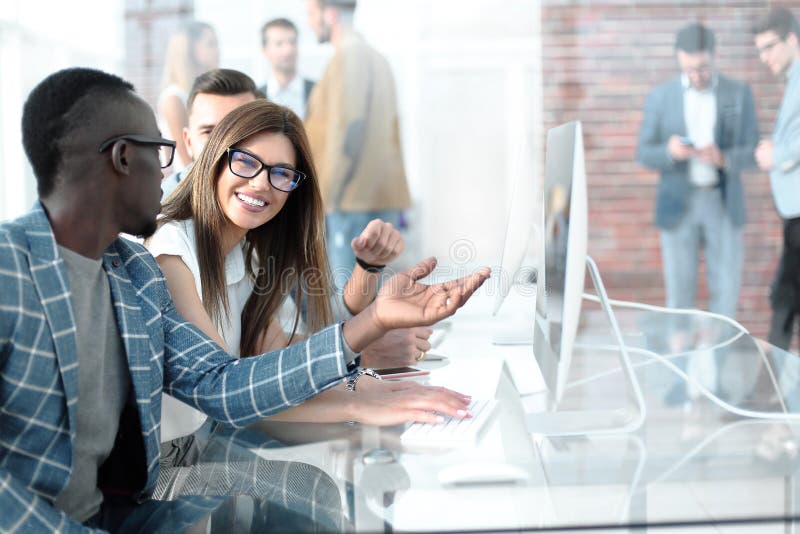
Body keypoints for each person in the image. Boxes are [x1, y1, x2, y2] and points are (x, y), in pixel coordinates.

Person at [0, 66, 489, 531]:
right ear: (124, 158)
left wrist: (374, 329)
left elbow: (222, 384)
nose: (176, 171)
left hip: (129, 507)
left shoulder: (133, 273)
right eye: (165, 151)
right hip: (96, 505)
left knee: (315, 490)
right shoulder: (13, 269)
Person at [637, 22, 759, 323]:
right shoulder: (660, 96)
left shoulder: (739, 93)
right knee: (678, 296)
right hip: (677, 203)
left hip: (723, 202)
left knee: (726, 293)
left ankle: (722, 366)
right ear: (679, 59)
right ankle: (679, 366)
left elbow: (753, 151)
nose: (696, 76)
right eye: (689, 69)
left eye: (702, 68)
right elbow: (644, 152)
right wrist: (669, 151)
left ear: (715, 56)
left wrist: (724, 158)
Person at [304, 0, 411, 282]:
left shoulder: (349, 57)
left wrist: (327, 193)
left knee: (350, 303)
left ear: (331, 15)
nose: (310, 23)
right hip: (374, 195)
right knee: (375, 302)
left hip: (350, 200)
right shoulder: (376, 57)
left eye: (312, 15)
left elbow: (348, 129)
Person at [752, 8, 800, 350]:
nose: (764, 57)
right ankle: (769, 394)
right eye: (760, 50)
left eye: (769, 47)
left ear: (792, 39)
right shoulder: (793, 80)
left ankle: (767, 396)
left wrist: (778, 155)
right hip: (793, 212)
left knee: (784, 297)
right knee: (784, 296)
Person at [161, 68, 262, 198]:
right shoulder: (161, 211)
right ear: (188, 142)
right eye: (209, 132)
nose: (224, 145)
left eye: (240, 131)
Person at [158, 21, 220, 173]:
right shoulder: (174, 98)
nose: (218, 50)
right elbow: (186, 158)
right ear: (191, 50)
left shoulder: (205, 93)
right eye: (211, 44)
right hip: (189, 182)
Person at [258, 17, 316, 118]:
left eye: (292, 42)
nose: (288, 50)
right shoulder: (256, 98)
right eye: (279, 44)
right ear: (264, 51)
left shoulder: (317, 91)